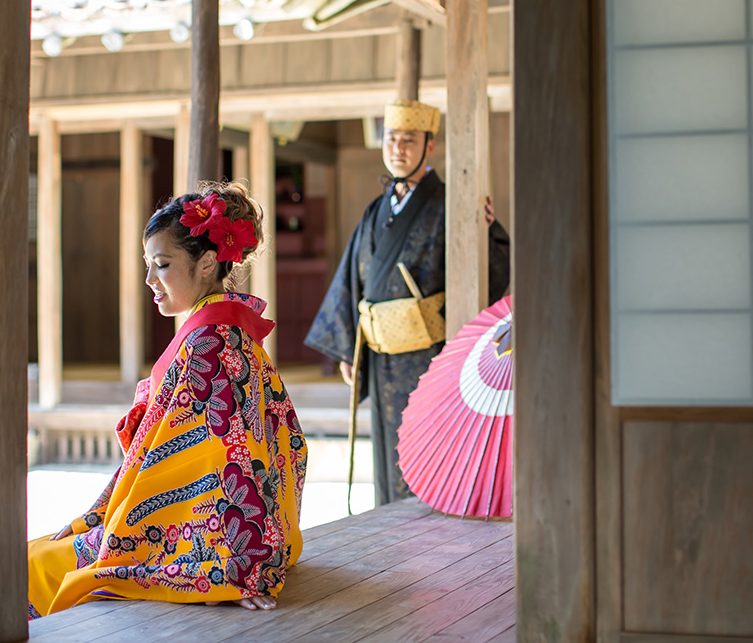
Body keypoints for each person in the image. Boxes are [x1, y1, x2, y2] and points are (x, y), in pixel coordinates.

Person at [27, 181, 306, 617]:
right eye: (148, 265)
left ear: (208, 262)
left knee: (30, 570)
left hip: (192, 537)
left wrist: (236, 565)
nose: (149, 280)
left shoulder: (211, 341)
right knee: (39, 556)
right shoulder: (223, 331)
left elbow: (232, 458)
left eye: (162, 264)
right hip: (191, 523)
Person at [303, 99, 511, 505]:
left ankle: (433, 522)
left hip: (427, 353)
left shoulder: (450, 203)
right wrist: (350, 349)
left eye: (409, 140)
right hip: (380, 355)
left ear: (429, 146)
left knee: (429, 441)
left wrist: (484, 227)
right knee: (387, 450)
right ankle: (389, 524)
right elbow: (352, 276)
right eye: (391, 138)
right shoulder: (377, 209)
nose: (398, 148)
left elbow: (490, 265)